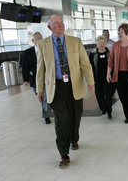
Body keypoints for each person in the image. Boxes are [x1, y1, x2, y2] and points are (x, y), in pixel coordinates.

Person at [36, 14, 95, 168]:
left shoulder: (75, 41)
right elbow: (40, 69)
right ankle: (64, 154)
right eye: (56, 23)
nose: (60, 25)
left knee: (75, 116)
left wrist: (91, 82)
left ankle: (74, 138)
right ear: (50, 27)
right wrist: (40, 89)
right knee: (61, 121)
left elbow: (85, 64)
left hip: (74, 85)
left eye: (61, 22)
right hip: (55, 87)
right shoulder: (43, 44)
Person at [22, 32, 52, 124]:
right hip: (34, 79)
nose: (39, 40)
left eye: (40, 38)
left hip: (47, 78)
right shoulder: (27, 52)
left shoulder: (47, 49)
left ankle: (46, 116)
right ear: (33, 40)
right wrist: (25, 79)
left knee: (46, 98)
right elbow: (25, 66)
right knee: (41, 97)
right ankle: (46, 112)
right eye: (37, 39)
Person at [89, 36, 112, 119]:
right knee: (99, 95)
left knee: (108, 95)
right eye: (99, 43)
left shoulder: (109, 53)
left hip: (107, 78)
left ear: (105, 43)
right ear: (97, 44)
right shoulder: (93, 53)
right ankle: (103, 108)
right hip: (97, 79)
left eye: (103, 43)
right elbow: (90, 67)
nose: (101, 45)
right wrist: (91, 79)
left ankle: (109, 110)